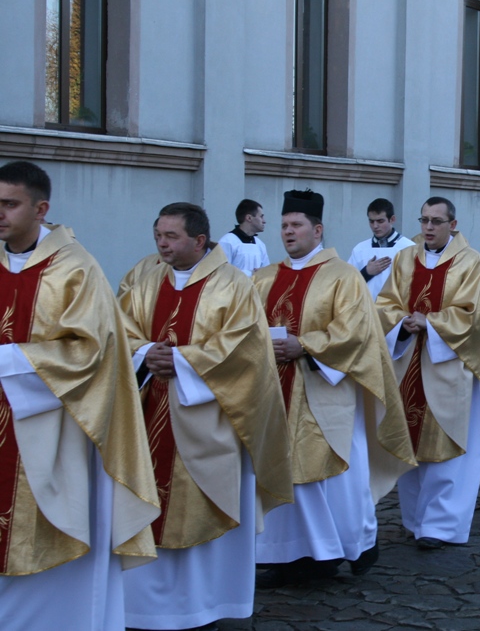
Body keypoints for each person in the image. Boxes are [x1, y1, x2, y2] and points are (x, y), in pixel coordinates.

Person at [0, 161, 159, 631]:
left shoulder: (75, 268)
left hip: (55, 429)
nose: (0, 214)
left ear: (41, 208)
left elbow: (91, 352)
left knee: (56, 541)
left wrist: (7, 361)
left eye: (10, 204)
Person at [120, 202, 293, 630]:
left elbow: (246, 352)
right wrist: (144, 352)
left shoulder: (233, 285)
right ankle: (139, 608)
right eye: (158, 234)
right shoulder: (142, 276)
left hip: (208, 422)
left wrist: (179, 360)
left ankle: (202, 606)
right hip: (146, 413)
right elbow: (115, 328)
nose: (161, 243)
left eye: (171, 236)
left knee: (198, 509)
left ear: (199, 240)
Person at [252, 190, 415, 587]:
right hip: (277, 392)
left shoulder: (342, 275)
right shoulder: (265, 278)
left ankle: (340, 550)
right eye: (284, 225)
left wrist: (304, 346)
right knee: (283, 472)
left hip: (324, 391)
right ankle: (290, 555)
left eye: (297, 226)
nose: (288, 232)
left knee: (330, 478)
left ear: (317, 229)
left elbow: (356, 332)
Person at [376, 197, 480, 549]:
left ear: (453, 224)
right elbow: (385, 304)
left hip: (450, 367)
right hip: (408, 363)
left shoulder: (471, 263)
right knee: (412, 446)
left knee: (448, 449)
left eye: (436, 221)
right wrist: (402, 323)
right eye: (424, 220)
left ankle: (442, 525)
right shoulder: (405, 259)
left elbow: (479, 316)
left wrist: (431, 323)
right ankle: (415, 519)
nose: (428, 228)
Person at [347, 198, 415, 300]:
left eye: (380, 221)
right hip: (365, 311)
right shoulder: (360, 249)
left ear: (392, 219)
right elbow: (347, 284)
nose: (375, 226)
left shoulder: (409, 248)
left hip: (397, 312)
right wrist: (366, 272)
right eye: (371, 221)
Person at [218, 198, 270, 276]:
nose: (264, 221)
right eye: (261, 217)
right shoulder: (227, 242)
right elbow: (221, 273)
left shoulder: (260, 245)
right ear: (249, 218)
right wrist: (250, 274)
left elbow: (266, 272)